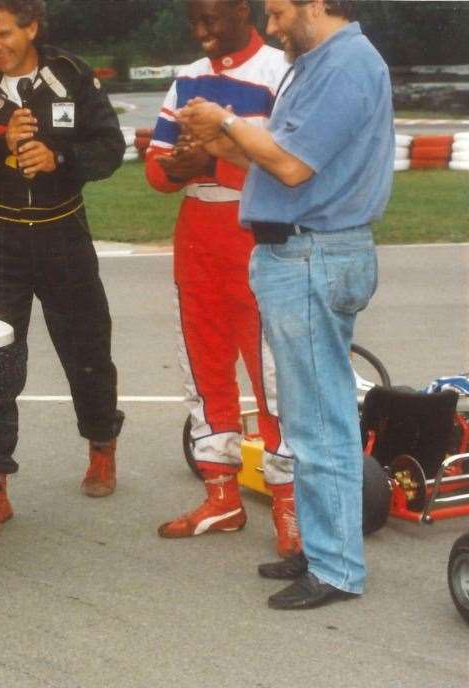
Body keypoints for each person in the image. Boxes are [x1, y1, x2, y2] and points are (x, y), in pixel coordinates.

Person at [178, 0, 392, 609]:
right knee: (306, 414)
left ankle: (337, 568)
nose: (271, 27)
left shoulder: (345, 64)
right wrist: (222, 136)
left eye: (277, 13)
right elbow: (269, 157)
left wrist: (225, 119)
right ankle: (325, 548)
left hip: (313, 252)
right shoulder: (320, 61)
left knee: (318, 418)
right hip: (301, 252)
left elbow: (291, 166)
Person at [0, 0, 126, 537]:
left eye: (6, 34)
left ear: (33, 26)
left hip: (64, 234)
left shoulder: (72, 74)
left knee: (88, 350)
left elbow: (111, 147)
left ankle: (101, 442)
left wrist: (60, 159)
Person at [144, 0, 298, 557]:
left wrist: (212, 161)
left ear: (243, 9)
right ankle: (221, 497)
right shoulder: (186, 79)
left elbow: (289, 164)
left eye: (213, 19)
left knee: (273, 374)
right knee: (204, 366)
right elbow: (156, 167)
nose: (203, 32)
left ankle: (290, 508)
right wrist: (176, 170)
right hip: (197, 237)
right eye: (194, 23)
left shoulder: (281, 71)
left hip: (256, 232)